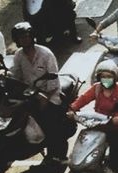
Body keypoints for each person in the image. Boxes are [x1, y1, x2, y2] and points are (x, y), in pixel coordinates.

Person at [7, 21, 70, 162]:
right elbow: (15, 74)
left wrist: (44, 96)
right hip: (30, 94)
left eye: (27, 36)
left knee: (50, 120)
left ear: (32, 36)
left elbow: (53, 81)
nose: (24, 40)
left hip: (50, 94)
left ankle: (59, 154)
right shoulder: (18, 55)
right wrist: (4, 75)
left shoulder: (46, 54)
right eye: (21, 37)